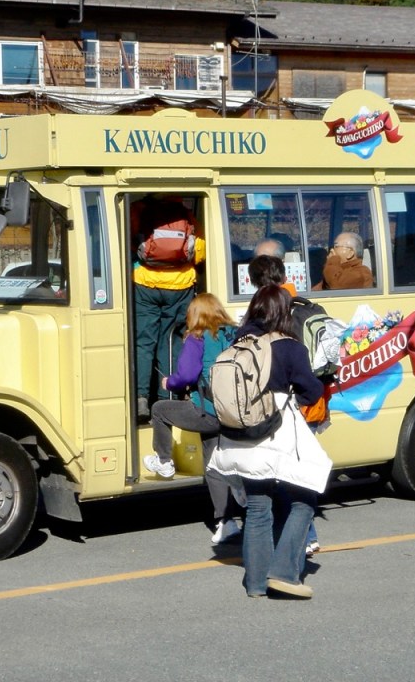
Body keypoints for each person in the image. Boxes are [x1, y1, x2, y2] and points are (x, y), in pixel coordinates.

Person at [208, 285, 330, 599]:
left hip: (239, 435)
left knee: (258, 506)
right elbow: (310, 392)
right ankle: (284, 572)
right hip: (275, 432)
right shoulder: (289, 346)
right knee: (305, 498)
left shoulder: (239, 341)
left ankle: (256, 583)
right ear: (283, 312)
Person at [142, 293, 242, 543]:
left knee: (159, 409)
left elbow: (186, 376)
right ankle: (227, 521)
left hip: (207, 410)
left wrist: (169, 382)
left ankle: (164, 461)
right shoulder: (234, 334)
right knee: (214, 465)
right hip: (233, 411)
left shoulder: (197, 338)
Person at [248, 253, 327, 557]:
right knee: (295, 475)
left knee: (288, 480)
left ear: (254, 281)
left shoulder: (267, 314)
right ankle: (303, 537)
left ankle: (304, 539)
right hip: (311, 405)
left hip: (284, 410)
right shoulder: (305, 306)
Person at [132, 196, 205, 419]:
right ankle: (167, 398)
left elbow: (129, 242)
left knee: (144, 341)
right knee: (170, 341)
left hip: (145, 284)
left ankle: (141, 398)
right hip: (180, 285)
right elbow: (199, 252)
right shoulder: (187, 215)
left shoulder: (140, 210)